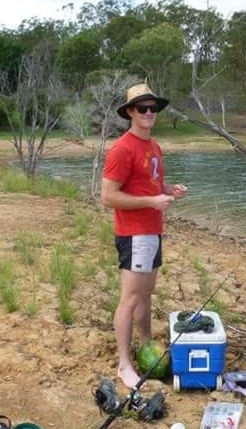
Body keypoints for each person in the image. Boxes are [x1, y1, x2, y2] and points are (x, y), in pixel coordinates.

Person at [101, 83, 188, 388]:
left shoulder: (154, 147)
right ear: (129, 113)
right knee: (130, 298)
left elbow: (150, 185)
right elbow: (108, 196)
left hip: (153, 232)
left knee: (146, 295)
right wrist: (152, 202)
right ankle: (124, 363)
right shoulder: (123, 149)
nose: (149, 113)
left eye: (153, 108)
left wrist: (168, 190)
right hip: (134, 235)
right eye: (142, 108)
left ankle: (147, 344)